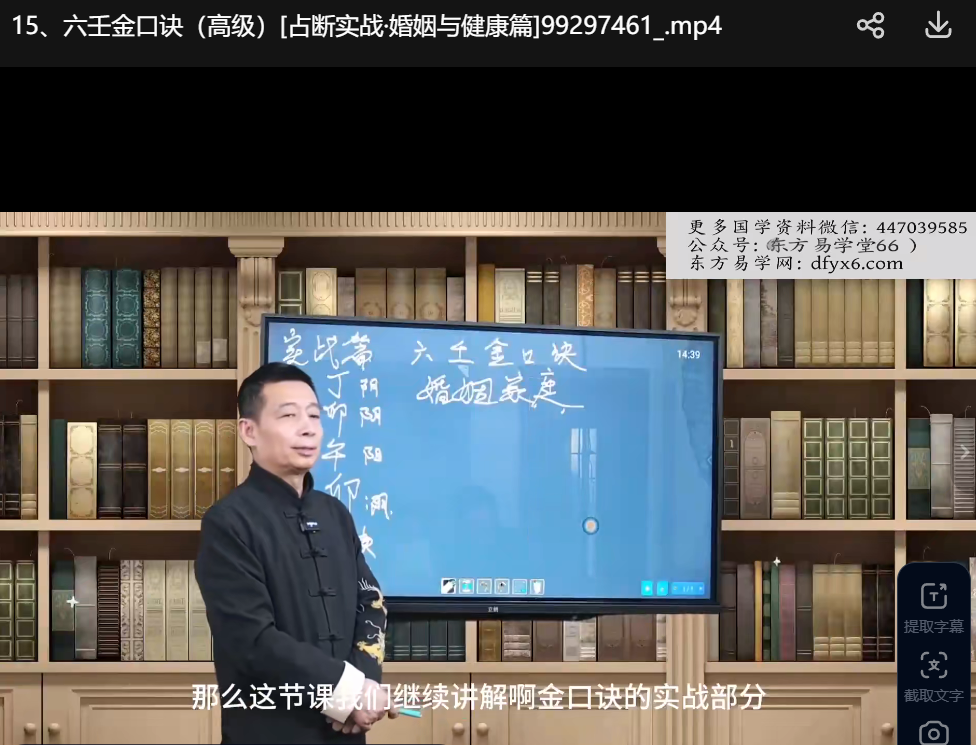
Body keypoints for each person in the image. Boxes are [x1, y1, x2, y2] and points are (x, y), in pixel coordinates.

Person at [195, 362, 399, 744]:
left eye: (314, 416)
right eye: (289, 416)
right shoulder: (227, 523)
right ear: (249, 431)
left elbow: (370, 602)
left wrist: (364, 685)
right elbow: (252, 639)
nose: (308, 428)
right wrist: (346, 693)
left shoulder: (335, 513)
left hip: (347, 733)